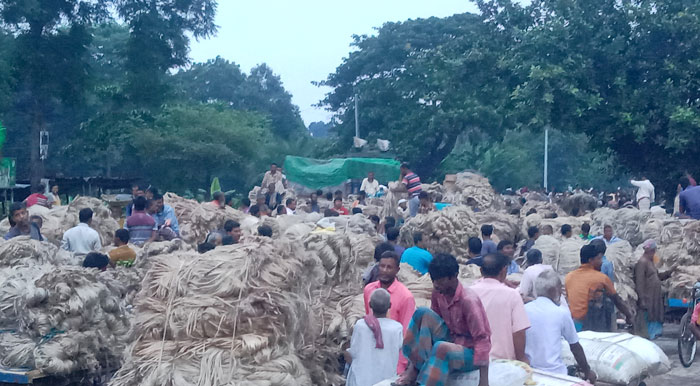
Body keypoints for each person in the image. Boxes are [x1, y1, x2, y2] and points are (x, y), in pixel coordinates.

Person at [393, 253, 490, 386]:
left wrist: (484, 381)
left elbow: (482, 340)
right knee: (422, 312)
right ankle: (415, 368)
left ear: (454, 276)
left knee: (441, 347)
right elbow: (433, 322)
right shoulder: (437, 293)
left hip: (469, 352)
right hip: (450, 338)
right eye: (434, 280)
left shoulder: (468, 300)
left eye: (440, 280)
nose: (436, 284)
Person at [525, 270, 596, 383]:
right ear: (553, 290)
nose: (561, 293)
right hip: (555, 374)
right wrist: (587, 372)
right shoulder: (561, 312)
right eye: (559, 288)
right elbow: (575, 347)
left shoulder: (525, 310)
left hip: (529, 372)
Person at [471, 253, 530, 362]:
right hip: (503, 362)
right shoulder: (512, 295)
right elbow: (519, 332)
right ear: (504, 270)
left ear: (481, 271)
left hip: (474, 360)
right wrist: (521, 358)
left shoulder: (470, 292)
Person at [363, 251, 416, 373]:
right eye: (382, 266)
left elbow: (406, 335)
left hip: (392, 355)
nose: (385, 270)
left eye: (389, 267)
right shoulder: (369, 290)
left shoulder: (406, 297)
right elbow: (369, 319)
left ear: (397, 270)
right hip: (372, 352)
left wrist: (400, 367)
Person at [565, 244, 634, 332]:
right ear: (591, 260)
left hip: (574, 325)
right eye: (599, 259)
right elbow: (617, 300)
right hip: (594, 325)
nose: (601, 262)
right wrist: (629, 315)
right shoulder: (601, 278)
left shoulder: (569, 277)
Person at [346, 288, 403, 386]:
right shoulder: (396, 328)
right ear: (390, 306)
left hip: (360, 381)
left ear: (370, 305)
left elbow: (353, 352)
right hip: (385, 381)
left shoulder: (360, 325)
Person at [634, 239, 673, 340]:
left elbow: (657, 276)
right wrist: (641, 299)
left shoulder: (650, 262)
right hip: (647, 295)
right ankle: (647, 336)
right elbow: (639, 282)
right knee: (649, 315)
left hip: (654, 295)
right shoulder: (642, 262)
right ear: (649, 251)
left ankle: (654, 334)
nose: (654, 253)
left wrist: (669, 273)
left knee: (655, 313)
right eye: (653, 251)